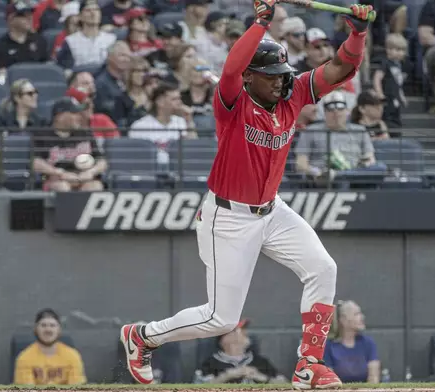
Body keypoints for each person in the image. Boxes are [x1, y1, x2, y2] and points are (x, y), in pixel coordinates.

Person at [119, 0, 374, 388]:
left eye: (282, 73)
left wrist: (356, 32)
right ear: (252, 76)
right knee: (220, 318)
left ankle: (309, 365)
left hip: (272, 211)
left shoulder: (294, 96)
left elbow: (342, 68)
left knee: (323, 269)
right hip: (228, 216)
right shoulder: (232, 103)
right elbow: (231, 68)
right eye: (270, 74)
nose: (279, 80)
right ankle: (143, 337)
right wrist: (261, 23)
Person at [13, 308, 87, 385]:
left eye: (52, 325)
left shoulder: (72, 356)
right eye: (43, 325)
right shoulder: (24, 358)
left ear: (59, 330)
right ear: (35, 329)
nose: (48, 329)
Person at [323, 300, 380, 383]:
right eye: (357, 314)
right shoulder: (328, 347)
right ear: (343, 320)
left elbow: (374, 378)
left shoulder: (368, 343)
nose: (362, 317)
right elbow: (329, 382)